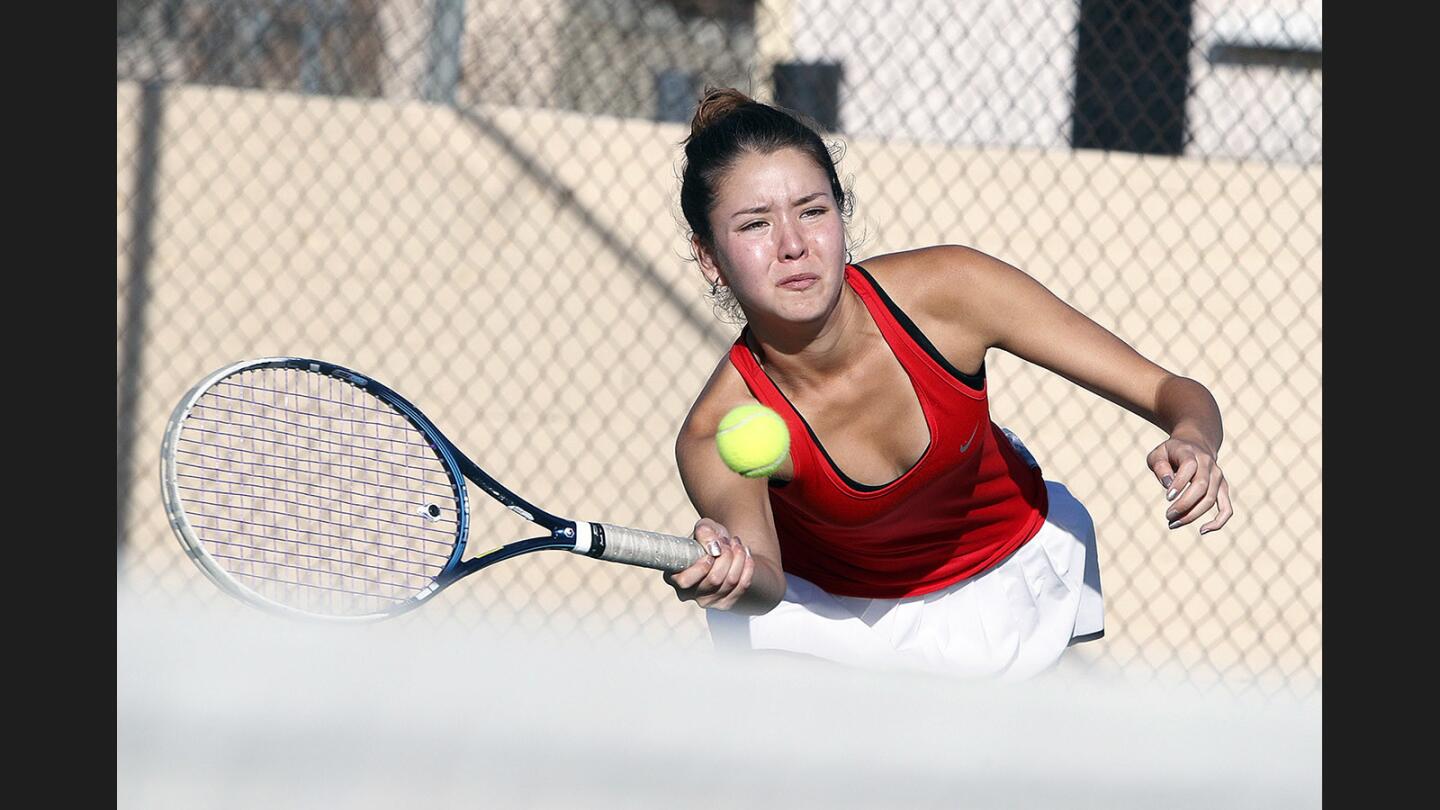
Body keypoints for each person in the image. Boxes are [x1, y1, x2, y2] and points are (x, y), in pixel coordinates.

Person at [665, 87, 1232, 681]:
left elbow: (1172, 391)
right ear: (709, 257)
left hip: (1005, 580)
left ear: (841, 212)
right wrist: (733, 570)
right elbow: (765, 578)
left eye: (813, 210)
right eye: (755, 224)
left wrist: (1193, 437)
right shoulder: (714, 433)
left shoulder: (951, 291)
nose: (793, 245)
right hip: (834, 625)